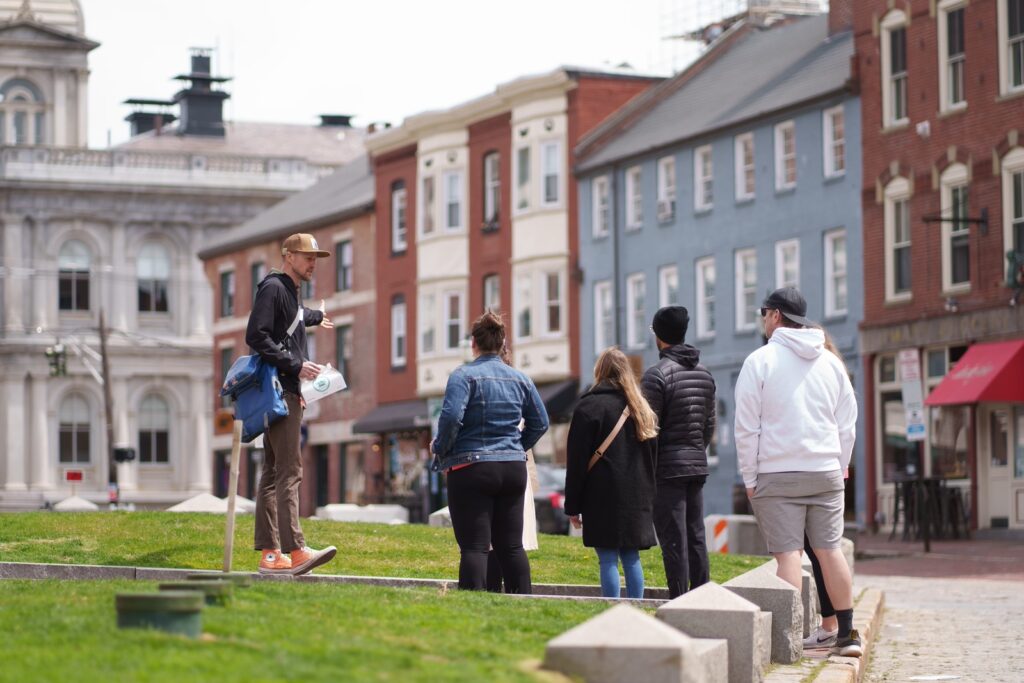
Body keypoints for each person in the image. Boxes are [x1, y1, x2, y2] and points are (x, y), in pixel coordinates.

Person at [734, 287, 862, 657]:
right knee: (830, 551)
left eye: (763, 313)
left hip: (777, 471)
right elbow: (847, 423)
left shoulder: (760, 361)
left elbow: (747, 427)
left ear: (775, 315)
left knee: (789, 557)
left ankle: (786, 642)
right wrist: (841, 467)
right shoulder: (830, 362)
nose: (762, 319)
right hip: (825, 470)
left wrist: (750, 477)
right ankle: (848, 634)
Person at [431, 312, 549, 593]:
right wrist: (516, 446)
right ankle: (524, 602)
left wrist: (440, 448)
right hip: (512, 468)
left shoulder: (463, 376)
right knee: (511, 546)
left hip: (472, 467)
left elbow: (450, 419)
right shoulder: (521, 378)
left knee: (474, 546)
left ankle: (473, 604)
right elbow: (541, 422)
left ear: (473, 343)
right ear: (502, 342)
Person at [245, 233, 338, 576]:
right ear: (288, 256)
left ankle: (271, 555)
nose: (313, 262)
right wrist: (296, 366)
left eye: (316, 258)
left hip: (283, 390)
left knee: (271, 474)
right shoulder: (274, 288)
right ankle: (296, 551)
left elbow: (295, 317)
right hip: (279, 392)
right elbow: (256, 335)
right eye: (307, 256)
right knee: (290, 472)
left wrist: (315, 317)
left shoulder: (287, 291)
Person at [564, 348, 659, 599]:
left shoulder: (588, 407)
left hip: (601, 494)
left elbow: (576, 461)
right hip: (637, 494)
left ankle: (611, 611)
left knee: (607, 559)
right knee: (631, 557)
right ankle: (636, 609)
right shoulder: (641, 408)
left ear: (600, 371)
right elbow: (653, 457)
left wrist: (573, 504)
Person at [641, 306, 716, 599]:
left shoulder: (656, 375)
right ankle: (703, 598)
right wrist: (695, 449)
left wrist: (650, 466)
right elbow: (708, 426)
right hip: (696, 464)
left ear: (659, 337)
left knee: (674, 540)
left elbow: (650, 430)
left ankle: (680, 601)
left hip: (667, 469)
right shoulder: (705, 373)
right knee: (696, 536)